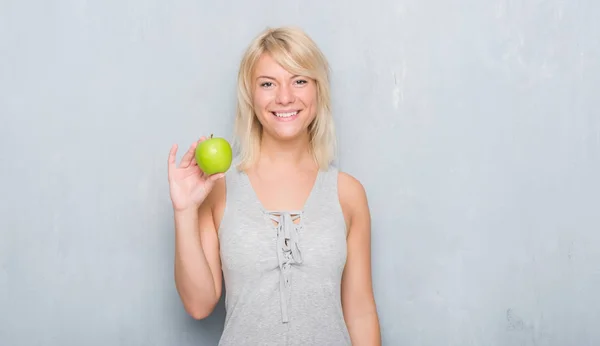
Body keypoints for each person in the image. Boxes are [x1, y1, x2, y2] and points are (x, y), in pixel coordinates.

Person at [167, 26, 381, 345]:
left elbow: (361, 311)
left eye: (299, 81)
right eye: (268, 83)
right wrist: (184, 211)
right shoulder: (219, 190)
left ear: (317, 90)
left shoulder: (348, 193)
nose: (284, 97)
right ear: (250, 96)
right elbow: (199, 305)